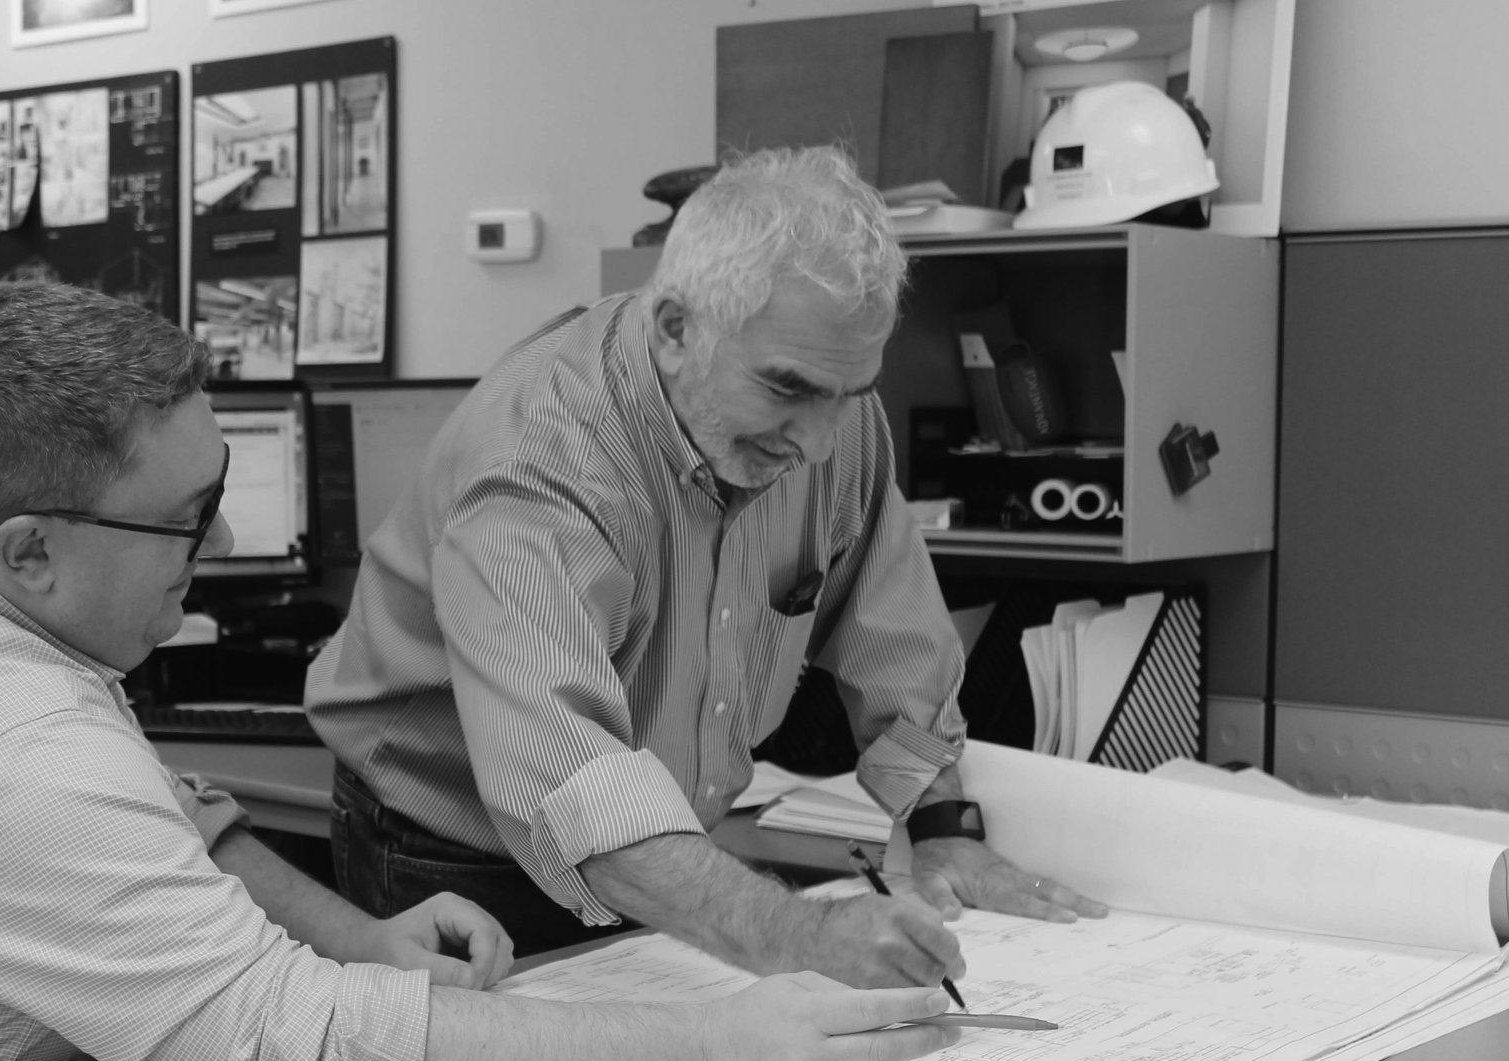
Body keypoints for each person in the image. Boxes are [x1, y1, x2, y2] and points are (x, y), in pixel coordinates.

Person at [0, 280, 958, 1061]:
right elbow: (307, 1050)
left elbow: (163, 810)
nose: (211, 553)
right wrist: (718, 1050)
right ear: (30, 546)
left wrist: (351, 935)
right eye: (184, 521)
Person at [305, 146, 1106, 985]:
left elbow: (894, 643)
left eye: (850, 391)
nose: (819, 443)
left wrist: (942, 821)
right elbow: (575, 793)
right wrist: (798, 936)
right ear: (676, 329)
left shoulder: (827, 417)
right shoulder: (537, 464)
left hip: (666, 839)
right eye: (788, 390)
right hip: (459, 853)